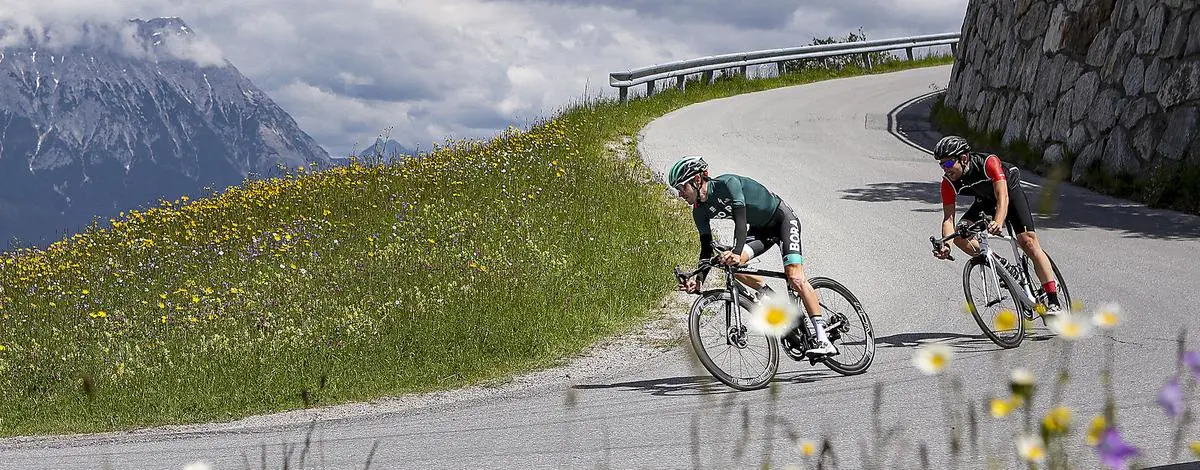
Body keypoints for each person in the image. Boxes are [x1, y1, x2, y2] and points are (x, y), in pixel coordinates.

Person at [668, 155, 837, 357]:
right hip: (760, 231)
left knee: (795, 278)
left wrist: (737, 252)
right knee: (731, 265)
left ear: (696, 180)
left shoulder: (727, 184)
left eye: (681, 188)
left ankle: (823, 339)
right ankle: (768, 295)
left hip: (782, 220)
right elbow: (706, 248)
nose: (680, 194)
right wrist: (699, 279)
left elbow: (740, 222)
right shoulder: (699, 211)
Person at [930, 135, 1062, 311]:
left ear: (963, 158)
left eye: (947, 164)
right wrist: (946, 244)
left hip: (1009, 193)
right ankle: (1003, 267)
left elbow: (1002, 196)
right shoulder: (948, 183)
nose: (945, 169)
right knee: (960, 237)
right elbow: (949, 219)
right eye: (941, 164)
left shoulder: (988, 163)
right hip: (984, 201)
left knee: (1028, 242)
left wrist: (998, 221)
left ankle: (1053, 300)